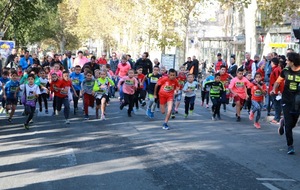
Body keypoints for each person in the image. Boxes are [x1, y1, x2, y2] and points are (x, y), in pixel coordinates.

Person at [272, 52, 300, 154]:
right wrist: (274, 90)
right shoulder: (285, 71)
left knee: (292, 123)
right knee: (289, 125)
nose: (286, 61)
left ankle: (282, 122)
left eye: (287, 60)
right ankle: (290, 146)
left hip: (297, 102)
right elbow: (278, 81)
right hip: (286, 100)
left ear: (292, 62)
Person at [268, 57, 283, 123]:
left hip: (276, 90)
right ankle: (277, 117)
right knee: (276, 104)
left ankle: (277, 118)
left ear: (273, 63)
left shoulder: (276, 70)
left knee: (277, 104)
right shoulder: (276, 69)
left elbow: (279, 80)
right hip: (274, 89)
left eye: (271, 62)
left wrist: (279, 90)